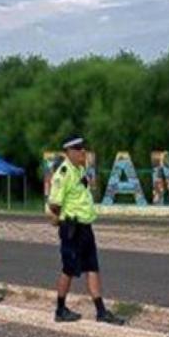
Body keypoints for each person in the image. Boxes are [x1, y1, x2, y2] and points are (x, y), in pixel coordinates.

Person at [46, 136, 125, 325]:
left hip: (85, 227)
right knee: (69, 269)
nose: (83, 152)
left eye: (83, 149)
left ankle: (101, 311)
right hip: (72, 228)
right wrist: (60, 220)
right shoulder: (63, 173)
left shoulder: (80, 170)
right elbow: (55, 203)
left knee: (92, 267)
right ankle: (60, 309)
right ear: (69, 152)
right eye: (78, 149)